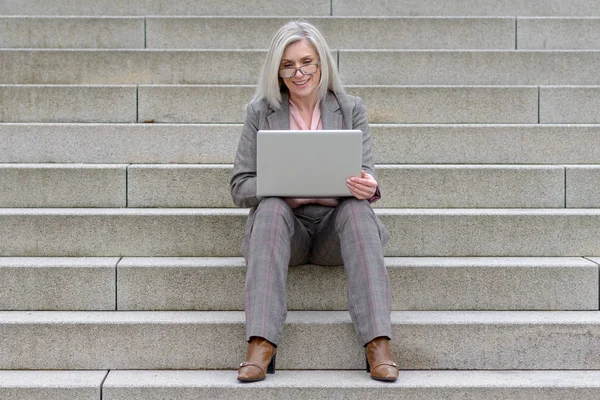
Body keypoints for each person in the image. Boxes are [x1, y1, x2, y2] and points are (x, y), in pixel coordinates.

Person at [230, 21, 398, 382]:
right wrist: (279, 186)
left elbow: (367, 172)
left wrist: (369, 186)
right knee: (271, 207)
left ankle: (377, 343)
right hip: (284, 233)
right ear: (277, 69)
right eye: (288, 65)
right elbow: (239, 186)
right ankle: (260, 344)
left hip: (333, 233)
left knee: (357, 209)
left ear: (322, 64)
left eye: (307, 62)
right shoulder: (260, 112)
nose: (299, 72)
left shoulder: (350, 108)